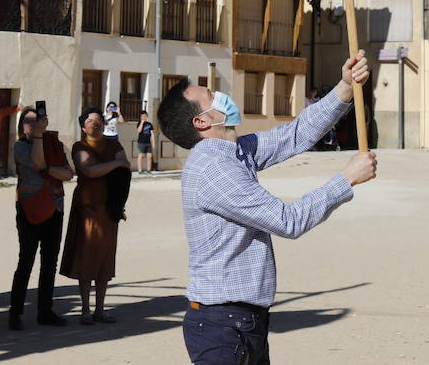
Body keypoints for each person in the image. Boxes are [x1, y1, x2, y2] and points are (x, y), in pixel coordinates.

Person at [159, 53, 377, 363]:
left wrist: (344, 86)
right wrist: (346, 180)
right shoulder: (214, 170)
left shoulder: (233, 153)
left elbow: (295, 134)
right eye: (212, 95)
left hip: (241, 321)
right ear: (202, 120)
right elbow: (287, 221)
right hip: (223, 325)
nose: (223, 96)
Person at [60, 108, 131, 324]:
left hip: (109, 209)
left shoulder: (114, 144)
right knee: (86, 258)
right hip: (87, 208)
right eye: (91, 121)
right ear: (83, 127)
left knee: (104, 258)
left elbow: (124, 168)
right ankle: (84, 309)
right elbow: (89, 170)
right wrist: (116, 164)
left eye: (99, 120)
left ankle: (100, 308)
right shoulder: (79, 146)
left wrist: (115, 165)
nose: (96, 123)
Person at [9, 106, 73, 330]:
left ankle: (45, 311)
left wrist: (48, 169)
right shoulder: (19, 146)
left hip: (55, 208)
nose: (32, 124)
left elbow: (68, 173)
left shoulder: (53, 145)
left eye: (37, 120)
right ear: (21, 125)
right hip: (30, 209)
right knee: (26, 260)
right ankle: (15, 313)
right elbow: (37, 164)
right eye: (28, 120)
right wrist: (38, 138)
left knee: (49, 263)